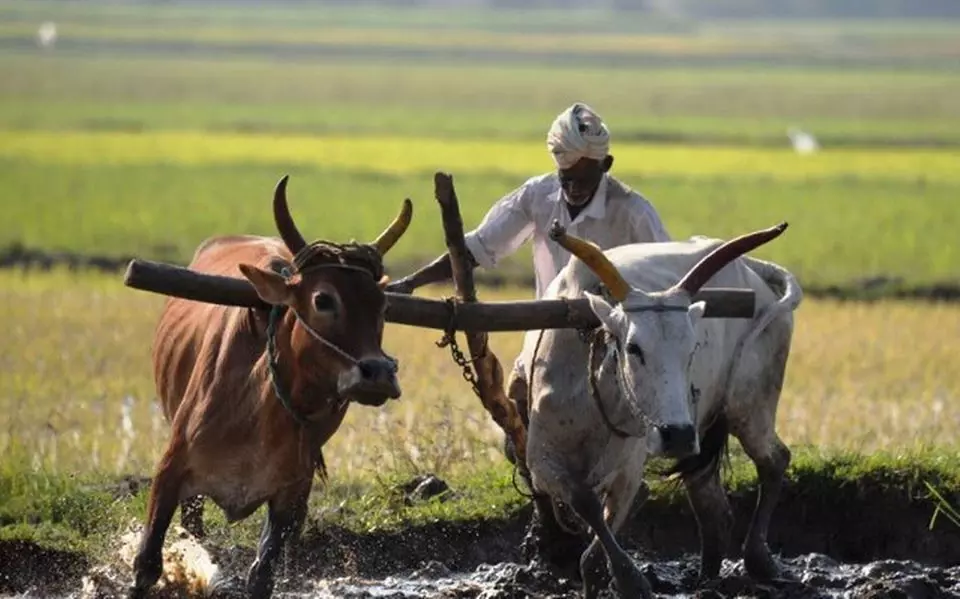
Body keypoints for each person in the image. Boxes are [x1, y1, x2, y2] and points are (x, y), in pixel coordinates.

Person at [387, 102, 671, 448]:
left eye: (584, 179)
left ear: (606, 166)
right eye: (566, 179)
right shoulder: (538, 196)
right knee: (521, 434)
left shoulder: (633, 212)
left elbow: (664, 279)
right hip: (547, 337)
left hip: (611, 342)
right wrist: (412, 283)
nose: (574, 188)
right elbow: (477, 248)